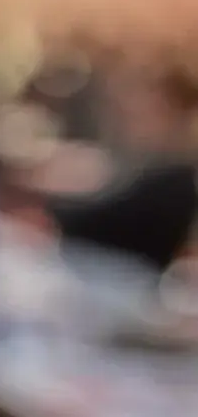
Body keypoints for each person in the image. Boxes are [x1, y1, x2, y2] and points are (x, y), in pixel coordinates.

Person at [45, 62, 198, 273]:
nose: (133, 105)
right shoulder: (150, 159)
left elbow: (105, 221)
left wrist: (52, 207)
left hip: (117, 276)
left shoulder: (175, 172)